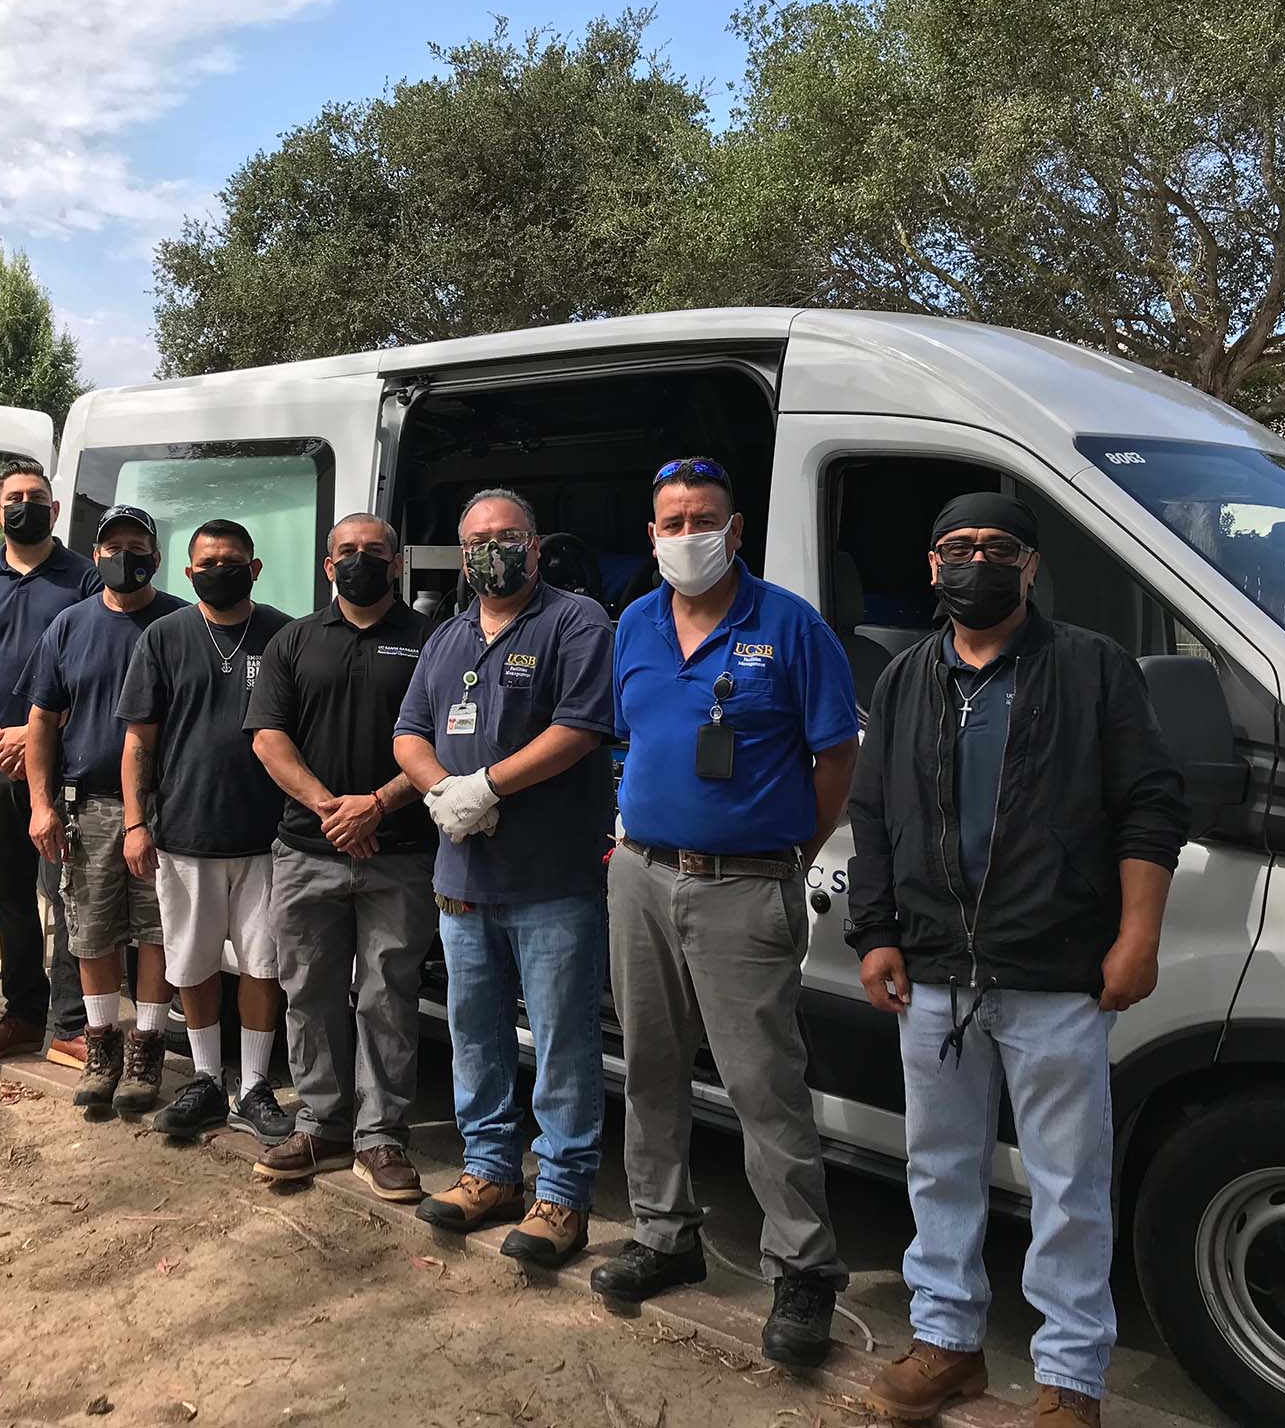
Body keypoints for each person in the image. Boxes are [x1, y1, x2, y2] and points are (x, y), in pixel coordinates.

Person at [848, 493, 1187, 1428]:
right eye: (956, 547)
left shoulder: (1092, 668)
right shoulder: (906, 679)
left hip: (1054, 975)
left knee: (1069, 1186)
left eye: (998, 549)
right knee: (940, 1169)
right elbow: (872, 818)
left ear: (1032, 566)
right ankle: (947, 1343)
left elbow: (1152, 806)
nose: (976, 563)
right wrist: (874, 932)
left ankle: (1071, 1380)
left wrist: (1138, 936)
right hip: (931, 975)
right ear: (930, 565)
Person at [592, 456, 861, 1369]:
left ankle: (803, 1267)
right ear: (654, 533)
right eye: (671, 521)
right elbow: (627, 741)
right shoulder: (632, 624)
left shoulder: (788, 626)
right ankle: (666, 1236)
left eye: (703, 517)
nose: (686, 534)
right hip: (640, 876)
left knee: (761, 1083)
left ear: (736, 530)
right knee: (650, 1068)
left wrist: (790, 852)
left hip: (745, 885)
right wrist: (632, 830)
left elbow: (834, 756)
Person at [393, 488, 616, 1267]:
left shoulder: (576, 621)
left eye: (509, 536)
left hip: (551, 881)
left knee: (561, 1043)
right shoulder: (447, 638)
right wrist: (440, 792)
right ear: (463, 555)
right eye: (480, 539)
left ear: (535, 543)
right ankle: (488, 1171)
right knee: (474, 1038)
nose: (495, 549)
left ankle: (563, 1192)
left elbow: (583, 727)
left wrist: (488, 786)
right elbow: (410, 731)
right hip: (462, 879)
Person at [245, 514, 437, 1202]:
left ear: (397, 562)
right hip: (307, 851)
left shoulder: (429, 641)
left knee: (389, 996)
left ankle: (381, 1137)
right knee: (310, 993)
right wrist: (334, 808)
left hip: (402, 853)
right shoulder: (293, 641)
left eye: (375, 552)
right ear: (328, 566)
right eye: (348, 552)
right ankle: (322, 1124)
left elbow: (444, 743)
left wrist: (376, 805)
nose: (361, 561)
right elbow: (268, 739)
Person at [117, 519, 294, 1144]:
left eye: (233, 560)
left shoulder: (283, 634)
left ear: (255, 567)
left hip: (270, 836)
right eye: (208, 562)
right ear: (188, 573)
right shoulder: (164, 638)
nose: (221, 569)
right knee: (189, 964)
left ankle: (252, 1086)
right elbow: (138, 739)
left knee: (262, 962)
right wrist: (136, 824)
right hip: (184, 832)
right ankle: (203, 1081)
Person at [19, 505, 189, 1118]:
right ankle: (100, 1051)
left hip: (166, 809)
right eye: (112, 545)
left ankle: (145, 1051)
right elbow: (41, 722)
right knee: (89, 932)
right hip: (88, 805)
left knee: (157, 933)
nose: (124, 555)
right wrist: (42, 805)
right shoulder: (69, 626)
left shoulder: (180, 622)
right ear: (95, 556)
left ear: (157, 555)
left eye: (136, 544)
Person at [0, 458, 101, 1068]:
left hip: (64, 764)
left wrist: (29, 737)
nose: (25, 505)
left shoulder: (87, 581)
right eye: (15, 496)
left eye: (37, 496)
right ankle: (23, 1014)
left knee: (68, 895)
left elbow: (93, 673)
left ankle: (71, 1024)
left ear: (54, 510)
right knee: (7, 892)